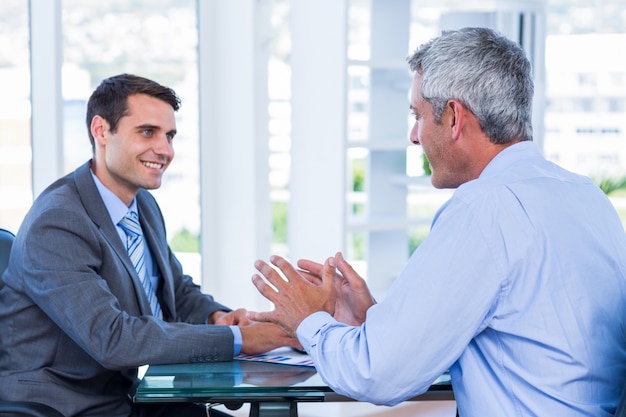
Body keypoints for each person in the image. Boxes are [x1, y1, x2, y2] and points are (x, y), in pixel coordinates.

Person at [248, 27, 626, 416]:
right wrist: (375, 322)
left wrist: (308, 320)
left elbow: (376, 375)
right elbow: (532, 347)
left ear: (453, 117)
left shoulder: (484, 209)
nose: (414, 136)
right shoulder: (587, 197)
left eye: (418, 115)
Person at [0, 73, 298, 417]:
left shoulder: (141, 205)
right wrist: (245, 341)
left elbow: (174, 291)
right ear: (101, 130)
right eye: (147, 132)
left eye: (169, 135)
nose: (165, 150)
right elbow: (113, 339)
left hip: (131, 397)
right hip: (64, 406)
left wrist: (219, 318)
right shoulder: (57, 223)